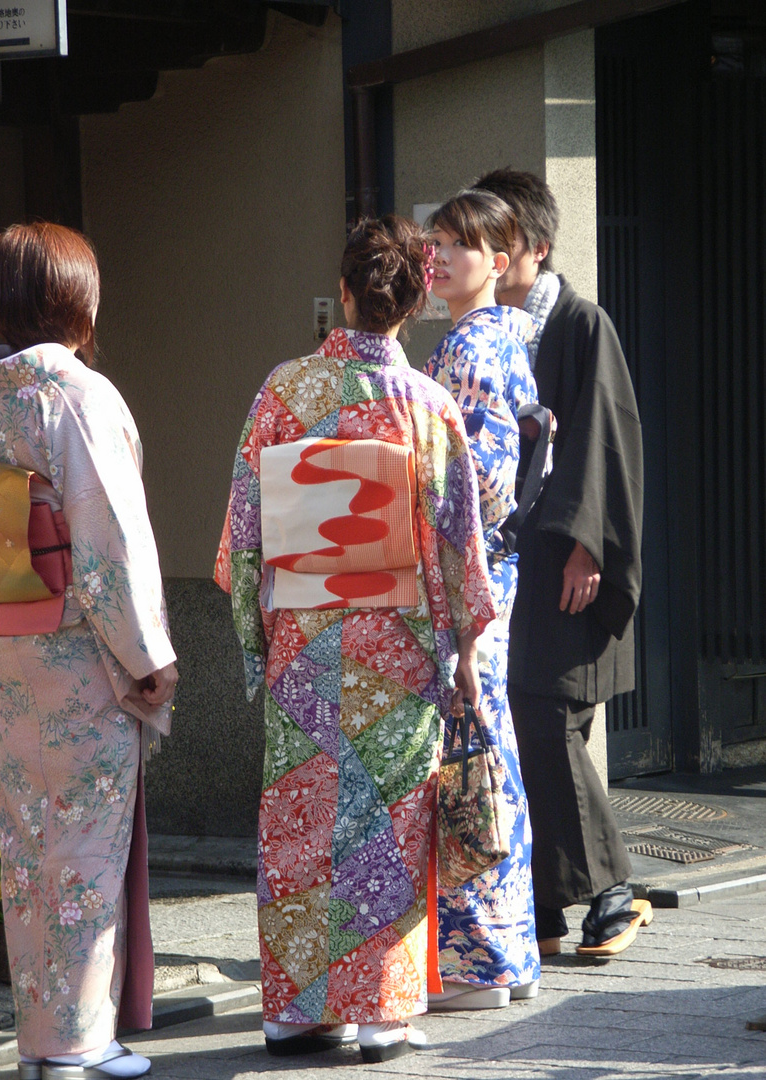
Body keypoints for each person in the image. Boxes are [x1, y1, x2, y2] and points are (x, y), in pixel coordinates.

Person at [214, 215, 498, 1062]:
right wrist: (466, 655)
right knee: (384, 825)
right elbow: (458, 548)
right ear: (411, 306)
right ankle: (378, 1013)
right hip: (401, 652)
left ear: (344, 293)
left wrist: (255, 640)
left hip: (306, 642)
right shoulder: (427, 404)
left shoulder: (285, 391)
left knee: (302, 817)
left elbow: (243, 531)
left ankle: (293, 1012)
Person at [0, 222, 178, 1080]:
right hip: (84, 656)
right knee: (86, 845)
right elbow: (111, 541)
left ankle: (44, 1040)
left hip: (12, 652)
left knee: (29, 841)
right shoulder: (80, 396)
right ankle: (78, 1042)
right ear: (75, 300)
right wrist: (147, 656)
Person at [473, 167, 650, 957]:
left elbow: (603, 441)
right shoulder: (492, 329)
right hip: (512, 556)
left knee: (547, 719)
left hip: (566, 558)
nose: (486, 252)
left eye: (498, 240)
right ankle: (544, 905)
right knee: (525, 720)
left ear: (536, 249)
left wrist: (589, 545)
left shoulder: (580, 323)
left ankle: (612, 891)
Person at [423, 189, 541, 1008]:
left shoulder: (472, 345)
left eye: (455, 247)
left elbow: (481, 482)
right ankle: (509, 955)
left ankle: (479, 959)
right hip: (490, 573)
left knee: (470, 755)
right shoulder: (496, 338)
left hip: (470, 577)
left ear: (498, 263)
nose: (436, 258)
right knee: (488, 749)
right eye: (432, 243)